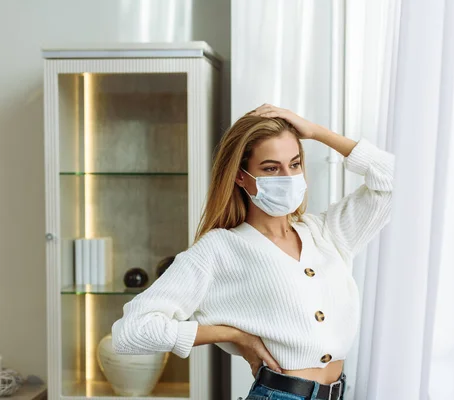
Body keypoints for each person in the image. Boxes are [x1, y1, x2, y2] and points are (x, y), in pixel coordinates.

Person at [111, 103, 395, 400]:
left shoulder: (328, 233)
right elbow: (131, 332)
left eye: (294, 164)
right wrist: (233, 334)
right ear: (241, 176)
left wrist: (315, 132)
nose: (287, 176)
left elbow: (393, 180)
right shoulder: (219, 249)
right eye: (271, 168)